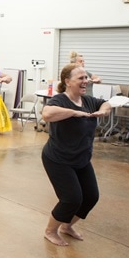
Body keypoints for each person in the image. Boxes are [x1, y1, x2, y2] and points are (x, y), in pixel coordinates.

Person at [41, 63, 112, 246]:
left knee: (91, 197)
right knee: (71, 198)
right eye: (80, 78)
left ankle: (67, 226)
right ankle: (50, 231)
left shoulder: (88, 100)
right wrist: (74, 112)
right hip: (58, 159)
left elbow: (106, 103)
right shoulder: (59, 100)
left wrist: (104, 110)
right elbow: (47, 114)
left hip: (81, 159)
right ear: (67, 82)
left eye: (86, 78)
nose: (85, 81)